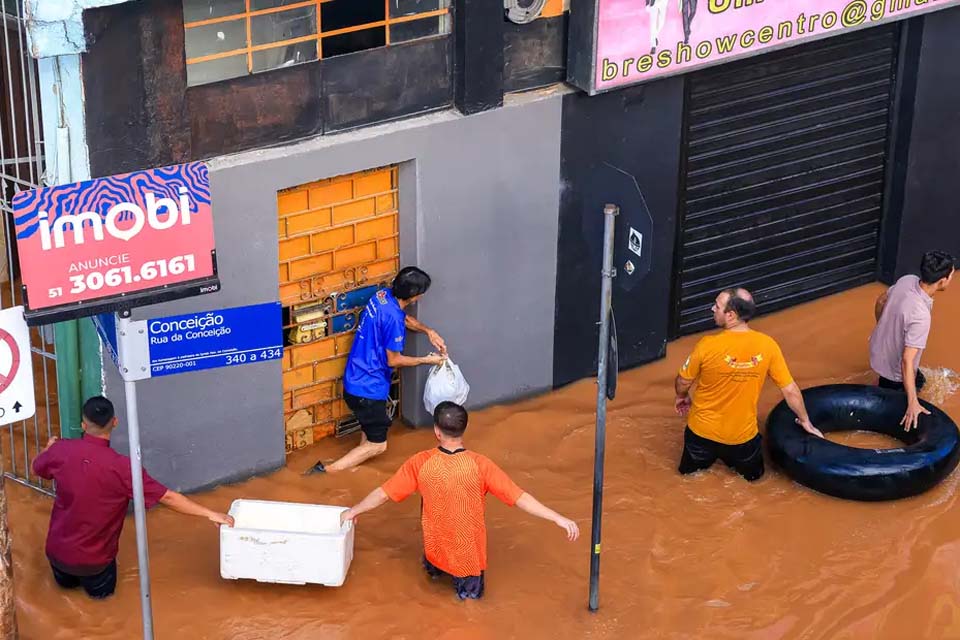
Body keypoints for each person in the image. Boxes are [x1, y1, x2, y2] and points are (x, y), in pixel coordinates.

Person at [340, 401, 579, 600]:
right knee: (469, 611)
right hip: (468, 559)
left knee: (430, 587)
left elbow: (384, 493)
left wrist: (353, 511)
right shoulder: (480, 465)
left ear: (436, 431)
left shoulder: (420, 462)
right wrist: (557, 518)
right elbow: (519, 498)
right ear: (464, 430)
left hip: (434, 549)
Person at [32, 396, 234, 600]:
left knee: (64, 598)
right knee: (102, 605)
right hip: (95, 564)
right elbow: (169, 498)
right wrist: (210, 513)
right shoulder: (124, 468)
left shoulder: (60, 451)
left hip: (57, 556)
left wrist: (49, 449)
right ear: (115, 422)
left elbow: (37, 468)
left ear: (84, 425)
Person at [307, 267, 447, 474]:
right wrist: (426, 360)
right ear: (415, 297)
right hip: (369, 390)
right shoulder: (394, 321)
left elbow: (403, 318)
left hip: (354, 380)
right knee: (378, 445)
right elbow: (394, 360)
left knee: (369, 432)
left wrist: (429, 331)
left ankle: (353, 468)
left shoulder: (381, 297)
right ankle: (325, 472)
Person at [674, 288, 823, 481]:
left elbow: (683, 380)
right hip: (742, 439)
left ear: (731, 315)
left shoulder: (706, 345)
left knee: (688, 480)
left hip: (701, 434)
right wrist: (805, 421)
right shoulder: (768, 346)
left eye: (717, 306)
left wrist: (681, 396)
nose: (712, 309)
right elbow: (789, 389)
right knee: (755, 481)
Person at [870, 250, 955, 431]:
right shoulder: (921, 316)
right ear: (942, 281)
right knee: (901, 398)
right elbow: (907, 360)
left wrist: (882, 328)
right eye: (951, 276)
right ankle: (884, 391)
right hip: (893, 371)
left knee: (920, 380)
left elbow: (881, 300)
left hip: (877, 349)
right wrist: (913, 403)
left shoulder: (907, 280)